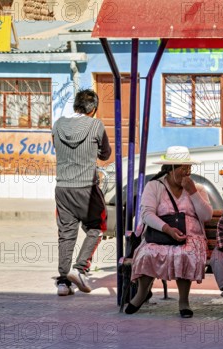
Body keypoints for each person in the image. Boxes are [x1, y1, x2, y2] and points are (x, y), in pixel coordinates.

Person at [125, 146, 213, 317]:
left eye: (189, 169)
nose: (187, 173)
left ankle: (183, 301)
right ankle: (142, 293)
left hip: (191, 236)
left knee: (186, 253)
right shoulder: (154, 186)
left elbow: (207, 215)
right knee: (147, 253)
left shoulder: (197, 188)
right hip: (161, 235)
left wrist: (193, 192)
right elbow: (147, 214)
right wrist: (168, 230)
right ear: (170, 168)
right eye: (183, 168)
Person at [52, 88, 111, 296]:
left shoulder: (58, 125)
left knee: (66, 234)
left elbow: (56, 147)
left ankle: (62, 282)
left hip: (63, 188)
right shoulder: (96, 125)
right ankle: (80, 268)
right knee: (97, 226)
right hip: (87, 187)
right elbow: (105, 154)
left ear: (75, 106)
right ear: (93, 109)